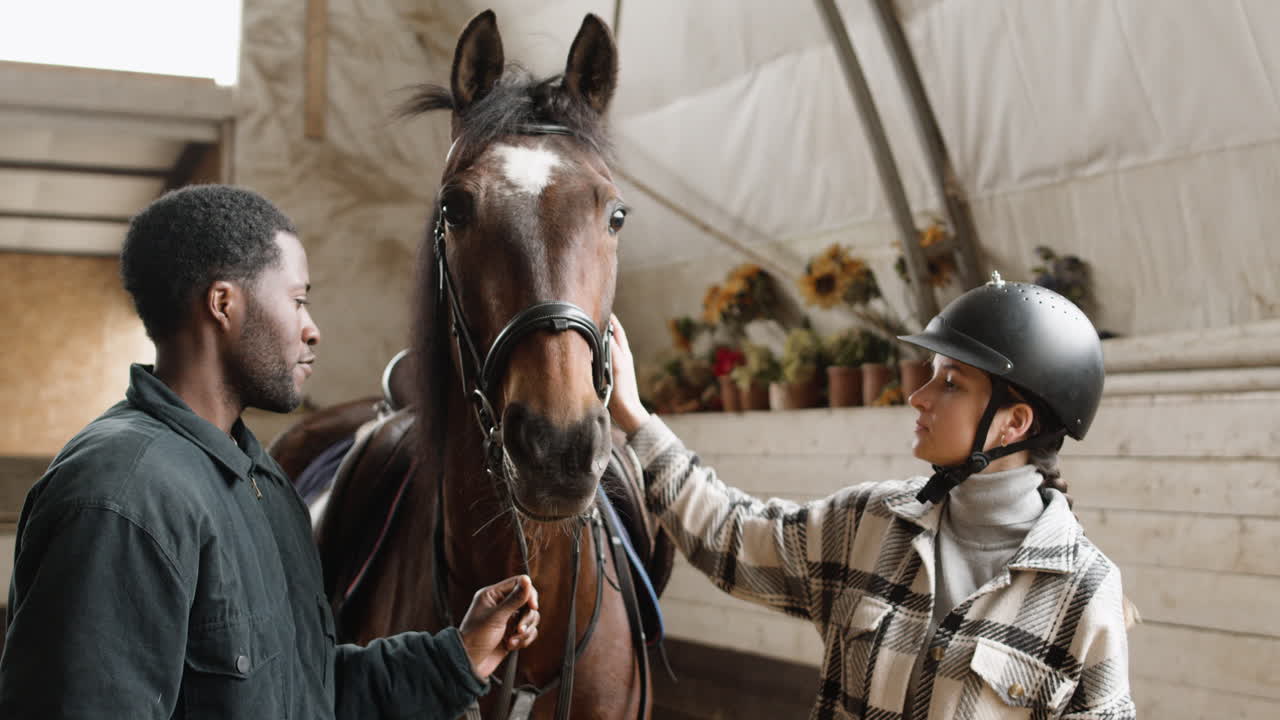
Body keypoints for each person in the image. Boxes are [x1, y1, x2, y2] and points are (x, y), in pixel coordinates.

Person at [0, 185, 540, 719]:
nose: (313, 330)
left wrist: (455, 660)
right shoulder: (121, 495)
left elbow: (305, 694)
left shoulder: (261, 483)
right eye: (298, 300)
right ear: (223, 304)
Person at [606, 273, 1136, 719]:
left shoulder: (1086, 595)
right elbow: (732, 535)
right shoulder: (868, 522)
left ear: (1013, 423)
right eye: (931, 376)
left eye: (951, 383)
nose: (917, 397)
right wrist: (632, 415)